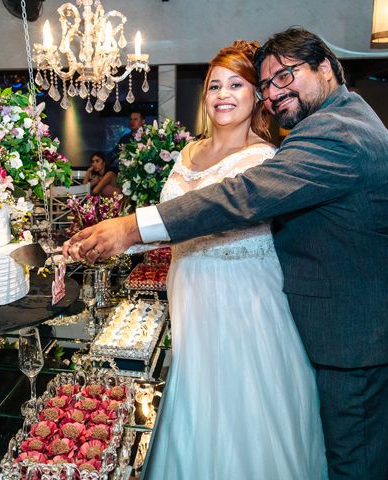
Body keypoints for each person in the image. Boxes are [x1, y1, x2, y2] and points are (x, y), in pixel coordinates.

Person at [65, 27, 388, 480]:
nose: (276, 93)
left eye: (285, 77)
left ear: (327, 67)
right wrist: (120, 238)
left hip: (360, 331)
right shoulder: (333, 120)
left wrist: (129, 226)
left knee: (351, 462)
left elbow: (242, 197)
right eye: (268, 84)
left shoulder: (336, 132)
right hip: (330, 318)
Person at [140, 40, 327, 479]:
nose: (223, 94)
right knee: (194, 399)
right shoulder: (187, 153)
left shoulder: (265, 158)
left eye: (236, 84)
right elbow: (171, 222)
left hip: (244, 303)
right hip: (188, 291)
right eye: (214, 86)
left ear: (257, 96)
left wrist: (128, 234)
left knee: (240, 409)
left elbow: (214, 217)